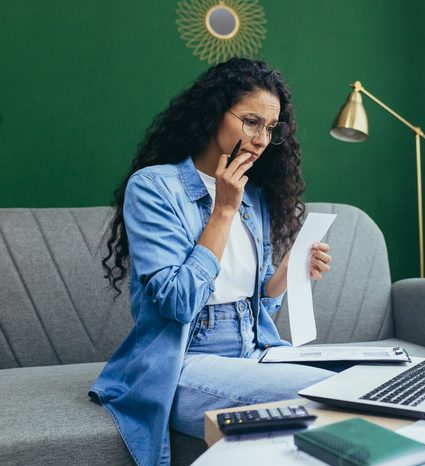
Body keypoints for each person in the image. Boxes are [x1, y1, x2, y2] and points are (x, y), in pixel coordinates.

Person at [89, 57, 335, 466]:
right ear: (213, 113)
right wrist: (222, 211)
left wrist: (290, 270)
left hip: (253, 351)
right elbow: (177, 303)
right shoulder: (154, 188)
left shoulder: (252, 195)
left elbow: (259, 305)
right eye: (251, 122)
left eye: (270, 128)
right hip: (182, 362)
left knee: (365, 378)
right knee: (329, 391)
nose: (261, 138)